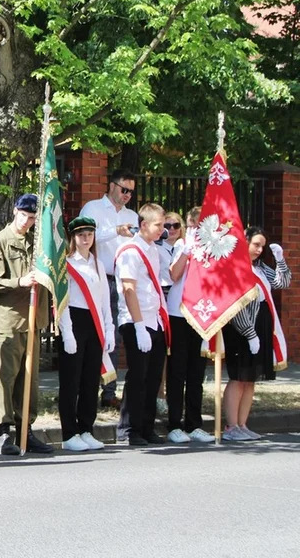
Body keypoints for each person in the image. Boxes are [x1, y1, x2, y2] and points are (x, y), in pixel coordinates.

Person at [0, 194, 51, 455]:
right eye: (24, 215)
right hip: (10, 320)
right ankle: (3, 432)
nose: (28, 221)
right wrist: (19, 282)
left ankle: (26, 429)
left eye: (33, 217)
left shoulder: (38, 243)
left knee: (29, 380)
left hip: (33, 320)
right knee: (6, 377)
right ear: (15, 211)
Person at [222, 228, 291, 441]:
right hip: (242, 327)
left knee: (250, 378)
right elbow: (235, 304)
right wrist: (249, 333)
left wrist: (280, 260)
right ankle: (231, 426)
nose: (259, 250)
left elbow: (282, 283)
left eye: (262, 246)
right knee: (239, 376)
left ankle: (242, 424)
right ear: (245, 241)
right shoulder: (234, 267)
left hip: (261, 321)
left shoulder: (259, 267)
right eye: (256, 245)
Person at [79, 170, 138, 408]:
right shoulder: (93, 208)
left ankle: (109, 390)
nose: (127, 196)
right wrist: (115, 230)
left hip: (122, 279)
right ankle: (87, 387)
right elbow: (84, 236)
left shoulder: (132, 215)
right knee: (94, 333)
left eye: (131, 192)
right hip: (96, 277)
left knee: (114, 335)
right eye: (124, 190)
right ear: (112, 186)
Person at [115, 203, 169, 446]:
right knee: (138, 377)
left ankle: (146, 426)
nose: (162, 230)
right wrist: (138, 326)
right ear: (144, 224)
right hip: (136, 320)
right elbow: (129, 289)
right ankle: (128, 429)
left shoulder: (153, 250)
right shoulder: (130, 250)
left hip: (154, 319)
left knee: (153, 377)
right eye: (158, 225)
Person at [56, 217, 112, 452]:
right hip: (74, 321)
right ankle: (69, 433)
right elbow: (62, 302)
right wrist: (67, 332)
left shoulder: (98, 264)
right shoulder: (67, 264)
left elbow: (105, 300)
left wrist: (108, 329)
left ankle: (86, 428)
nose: (85, 238)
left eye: (89, 234)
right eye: (80, 234)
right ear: (73, 238)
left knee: (90, 380)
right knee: (71, 381)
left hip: (95, 321)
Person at [163, 207, 213, 444]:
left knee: (196, 372)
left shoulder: (212, 250)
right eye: (194, 226)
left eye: (201, 227)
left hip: (201, 314)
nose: (197, 230)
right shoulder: (181, 245)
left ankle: (194, 423)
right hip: (178, 313)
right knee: (177, 372)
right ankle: (174, 424)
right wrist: (188, 249)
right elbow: (173, 275)